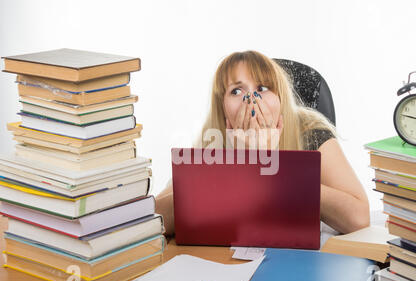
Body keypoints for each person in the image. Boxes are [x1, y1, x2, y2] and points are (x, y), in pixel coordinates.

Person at [156, 50, 370, 236]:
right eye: (236, 91)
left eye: (263, 87)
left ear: (281, 97)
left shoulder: (309, 130)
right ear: (223, 110)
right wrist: (240, 166)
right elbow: (156, 217)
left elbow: (358, 218)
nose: (252, 99)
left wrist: (275, 168)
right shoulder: (212, 138)